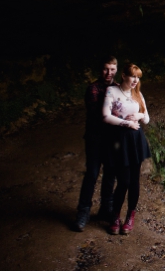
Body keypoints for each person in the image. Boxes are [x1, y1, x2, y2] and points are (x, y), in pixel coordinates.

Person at [99, 64, 153, 235]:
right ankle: (115, 215)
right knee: (123, 181)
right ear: (123, 76)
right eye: (132, 76)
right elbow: (105, 116)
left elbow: (147, 119)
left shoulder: (138, 94)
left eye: (138, 77)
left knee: (134, 181)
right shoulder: (112, 92)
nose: (135, 80)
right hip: (119, 139)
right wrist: (126, 122)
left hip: (135, 140)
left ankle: (130, 215)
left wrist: (138, 115)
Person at [74, 57, 118, 232]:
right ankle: (83, 212)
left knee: (110, 174)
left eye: (112, 69)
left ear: (116, 70)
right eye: (106, 69)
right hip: (95, 139)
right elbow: (97, 114)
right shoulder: (93, 88)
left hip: (113, 140)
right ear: (101, 70)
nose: (109, 73)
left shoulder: (119, 88)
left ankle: (106, 208)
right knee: (92, 174)